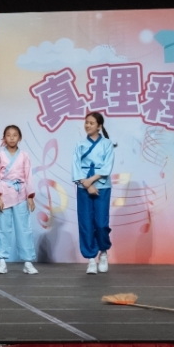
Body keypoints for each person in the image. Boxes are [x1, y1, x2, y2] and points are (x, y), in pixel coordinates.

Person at [72, 112, 115, 275]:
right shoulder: (79, 144)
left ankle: (103, 252)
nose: (87, 125)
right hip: (83, 187)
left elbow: (107, 166)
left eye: (91, 123)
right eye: (86, 122)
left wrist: (91, 181)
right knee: (85, 223)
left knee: (101, 223)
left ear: (99, 126)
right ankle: (90, 259)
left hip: (102, 186)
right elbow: (75, 166)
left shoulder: (107, 144)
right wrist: (86, 183)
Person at [0, 125, 38, 275]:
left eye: (15, 135)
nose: (11, 138)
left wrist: (30, 196)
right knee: (2, 228)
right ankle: (1, 261)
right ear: (4, 138)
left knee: (24, 228)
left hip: (21, 194)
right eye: (8, 135)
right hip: (4, 193)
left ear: (20, 138)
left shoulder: (24, 155)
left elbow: (28, 176)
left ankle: (28, 262)